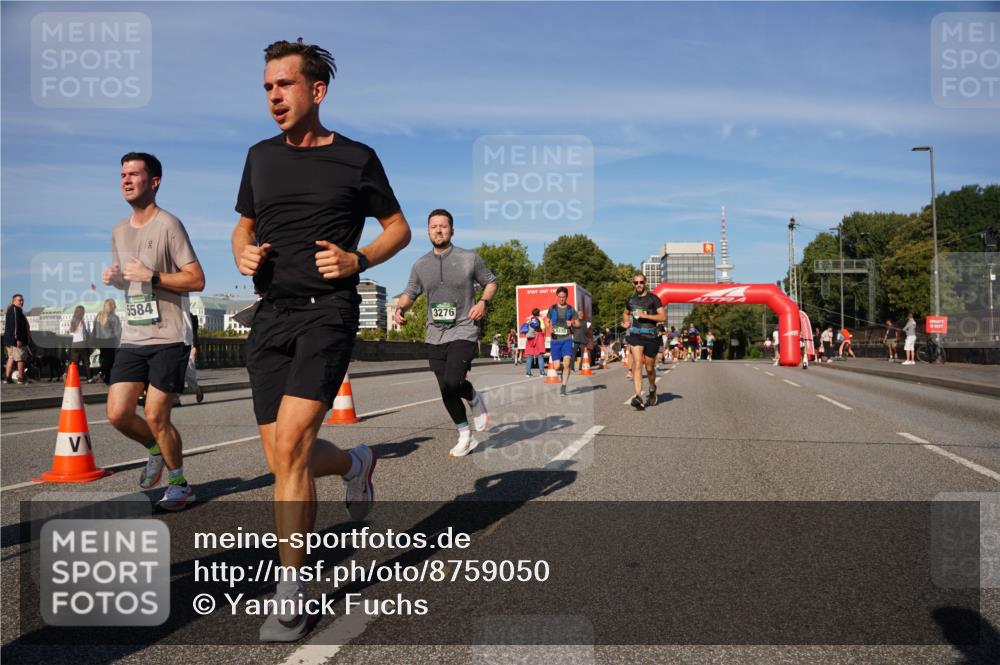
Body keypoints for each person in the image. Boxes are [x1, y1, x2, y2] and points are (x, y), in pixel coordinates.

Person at [231, 39, 411, 642]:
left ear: (317, 90)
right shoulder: (259, 157)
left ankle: (294, 591)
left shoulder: (357, 157)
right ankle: (357, 462)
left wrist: (357, 259)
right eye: (266, 88)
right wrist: (243, 253)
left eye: (283, 85)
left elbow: (399, 229)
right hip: (270, 315)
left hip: (328, 314)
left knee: (289, 445)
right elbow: (243, 226)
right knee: (286, 457)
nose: (274, 97)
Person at [103, 151, 205, 514]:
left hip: (169, 336)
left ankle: (179, 485)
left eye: (134, 174)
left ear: (154, 182)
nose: (126, 180)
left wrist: (155, 277)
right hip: (133, 336)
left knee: (158, 413)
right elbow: (130, 284)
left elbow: (197, 278)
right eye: (122, 175)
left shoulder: (169, 225)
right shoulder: (118, 230)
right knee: (117, 413)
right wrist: (117, 281)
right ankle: (154, 450)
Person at [395, 209, 496, 457]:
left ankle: (473, 397)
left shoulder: (469, 258)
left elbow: (491, 281)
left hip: (463, 328)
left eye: (443, 226)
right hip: (434, 333)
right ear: (428, 231)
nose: (438, 230)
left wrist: (483, 302)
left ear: (452, 230)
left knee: (454, 381)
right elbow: (410, 292)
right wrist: (400, 308)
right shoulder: (420, 264)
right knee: (445, 389)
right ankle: (465, 436)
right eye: (433, 226)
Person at [624, 274, 666, 409]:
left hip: (651, 337)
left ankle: (652, 388)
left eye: (641, 282)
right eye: (636, 283)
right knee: (637, 364)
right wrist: (626, 322)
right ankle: (638, 396)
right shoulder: (631, 300)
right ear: (633, 284)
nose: (638, 285)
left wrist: (645, 315)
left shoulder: (653, 299)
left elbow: (662, 316)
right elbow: (625, 312)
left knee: (649, 368)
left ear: (645, 282)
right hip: (636, 335)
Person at [547, 286, 581, 396]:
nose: (562, 299)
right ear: (557, 296)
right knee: (556, 366)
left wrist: (572, 324)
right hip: (555, 340)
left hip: (566, 339)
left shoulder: (571, 309)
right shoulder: (552, 308)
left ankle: (563, 386)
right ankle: (563, 370)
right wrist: (549, 327)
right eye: (560, 297)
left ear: (567, 297)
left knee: (567, 363)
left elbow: (578, 323)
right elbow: (546, 321)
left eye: (564, 297)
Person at [93, 298, 122, 384]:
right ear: (113, 307)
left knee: (104, 358)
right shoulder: (114, 317)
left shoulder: (98, 315)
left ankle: (103, 374)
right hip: (110, 341)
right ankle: (107, 377)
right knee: (111, 359)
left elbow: (94, 329)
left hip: (100, 341)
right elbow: (118, 332)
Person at [4, 294, 30, 384]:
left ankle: (7, 378)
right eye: (19, 300)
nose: (22, 302)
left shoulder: (12, 309)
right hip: (16, 340)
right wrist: (18, 339)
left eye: (22, 300)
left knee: (11, 358)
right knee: (20, 359)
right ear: (14, 301)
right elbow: (15, 326)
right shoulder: (15, 310)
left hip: (9, 340)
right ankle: (21, 378)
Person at [68, 305, 95, 383]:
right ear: (82, 312)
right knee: (86, 362)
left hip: (74, 344)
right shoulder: (83, 321)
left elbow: (71, 333)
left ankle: (69, 376)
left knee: (73, 362)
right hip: (82, 343)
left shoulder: (72, 321)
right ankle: (89, 378)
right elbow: (88, 332)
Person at [183, 312, 204, 403]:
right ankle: (175, 398)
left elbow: (194, 332)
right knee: (175, 373)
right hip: (175, 346)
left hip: (189, 346)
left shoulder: (189, 315)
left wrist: (195, 346)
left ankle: (197, 390)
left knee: (189, 373)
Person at [522, 308, 544, 376]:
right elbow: (543, 329)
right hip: (538, 337)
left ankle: (528, 373)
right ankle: (542, 372)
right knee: (540, 355)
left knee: (530, 356)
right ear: (538, 313)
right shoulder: (540, 319)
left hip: (530, 339)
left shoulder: (529, 320)